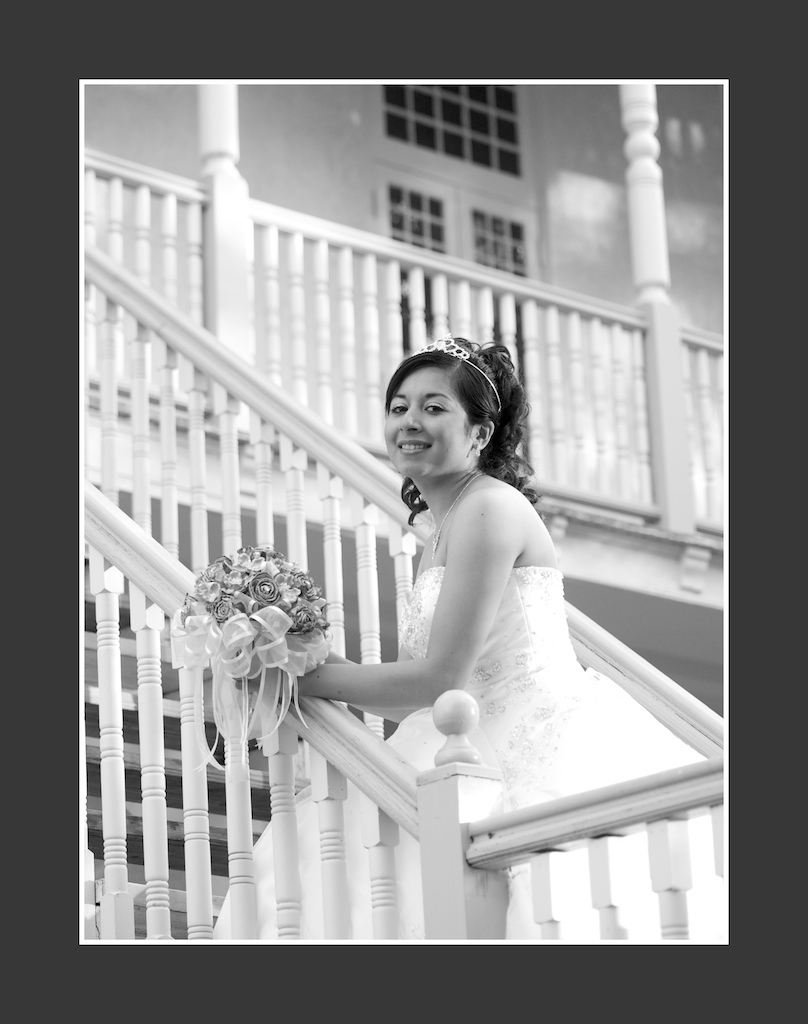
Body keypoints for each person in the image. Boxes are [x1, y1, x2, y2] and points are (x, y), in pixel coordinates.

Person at [213, 334, 719, 941]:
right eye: (399, 406)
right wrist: (290, 659)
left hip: (522, 741)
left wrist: (306, 669)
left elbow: (440, 679)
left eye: (434, 407)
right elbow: (409, 698)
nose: (409, 421)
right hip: (457, 736)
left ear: (481, 434)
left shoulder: (489, 509)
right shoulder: (442, 529)